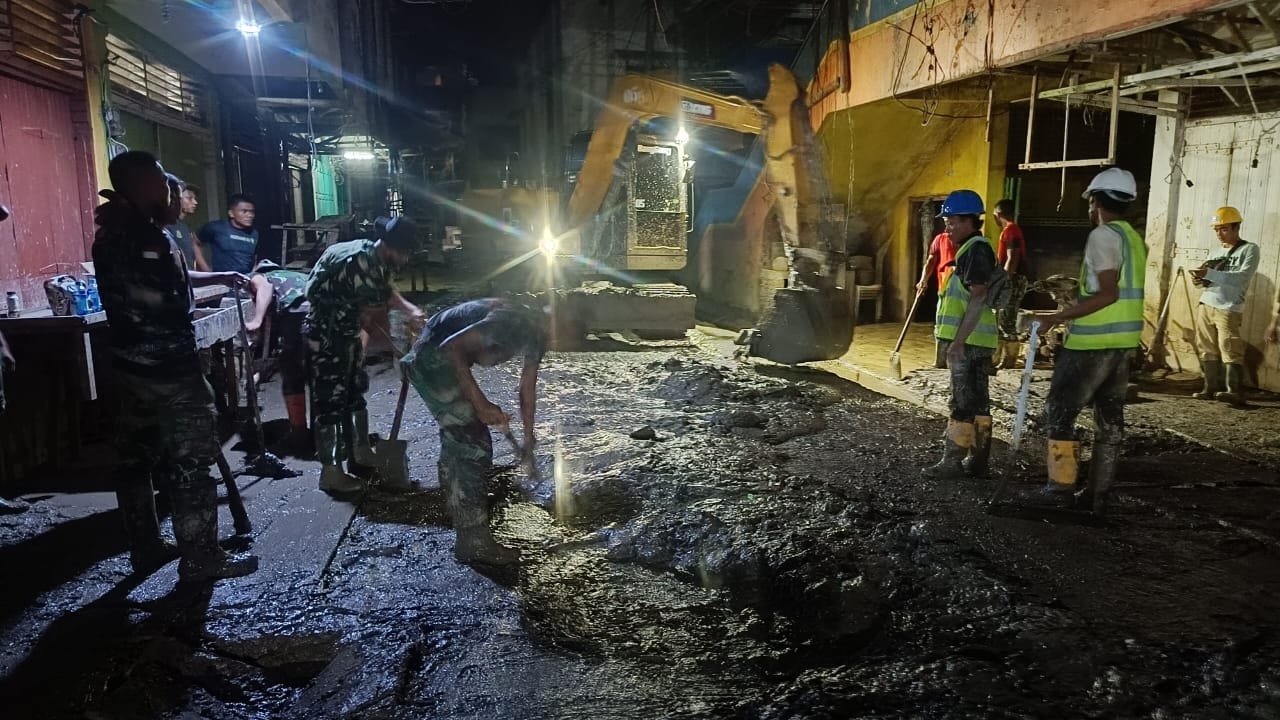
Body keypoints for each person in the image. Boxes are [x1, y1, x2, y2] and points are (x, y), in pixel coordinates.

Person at [93, 150, 258, 580]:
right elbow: (162, 301)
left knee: (136, 460)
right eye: (165, 186)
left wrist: (219, 278)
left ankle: (145, 549)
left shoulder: (123, 229)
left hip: (131, 370)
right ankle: (201, 558)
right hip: (167, 370)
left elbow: (173, 279)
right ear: (143, 187)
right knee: (191, 462)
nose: (173, 195)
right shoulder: (141, 236)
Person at [401, 298, 546, 565]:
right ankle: (473, 541)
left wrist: (527, 439)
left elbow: (527, 389)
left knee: (459, 433)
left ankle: (458, 504)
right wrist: (480, 404)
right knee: (473, 441)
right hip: (432, 358)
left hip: (434, 355)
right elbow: (452, 347)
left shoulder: (539, 334)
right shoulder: (514, 320)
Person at [1037, 168, 1146, 517]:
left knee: (1060, 412)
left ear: (1095, 201)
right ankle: (1097, 495)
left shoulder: (1102, 236)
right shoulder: (1132, 237)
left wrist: (1057, 317)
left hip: (1091, 343)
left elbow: (1108, 293)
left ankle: (1059, 490)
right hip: (1122, 342)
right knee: (1110, 418)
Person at [305, 215, 426, 495]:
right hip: (328, 334)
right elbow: (372, 320)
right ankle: (331, 472)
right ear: (391, 247)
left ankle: (360, 452)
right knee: (331, 400)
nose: (406, 260)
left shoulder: (373, 257)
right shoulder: (360, 265)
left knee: (354, 391)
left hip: (345, 330)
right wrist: (399, 353)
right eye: (405, 253)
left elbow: (385, 290)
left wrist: (410, 310)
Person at [922, 190, 999, 480]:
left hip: (969, 342)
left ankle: (952, 461)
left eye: (952, 220)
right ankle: (978, 461)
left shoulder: (974, 250)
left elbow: (978, 297)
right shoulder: (973, 249)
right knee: (979, 403)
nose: (947, 227)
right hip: (979, 340)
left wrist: (957, 342)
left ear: (969, 221)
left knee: (962, 402)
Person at [1189, 206, 1260, 406]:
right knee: (1206, 347)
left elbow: (1241, 278)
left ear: (1237, 228)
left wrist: (1208, 274)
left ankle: (1234, 391)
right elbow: (1208, 278)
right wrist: (1198, 279)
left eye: (1224, 229)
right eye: (1217, 230)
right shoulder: (1216, 250)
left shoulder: (1249, 249)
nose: (1220, 234)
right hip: (1207, 302)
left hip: (1229, 306)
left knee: (1229, 347)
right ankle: (1209, 388)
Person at [245, 259, 311, 448]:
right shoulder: (299, 275)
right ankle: (325, 431)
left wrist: (256, 320)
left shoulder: (260, 276)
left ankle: (299, 432)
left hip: (295, 313)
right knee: (321, 372)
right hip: (321, 312)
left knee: (291, 369)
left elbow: (264, 288)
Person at [992, 199, 1029, 369]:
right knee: (1003, 320)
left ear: (998, 214)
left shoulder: (1010, 230)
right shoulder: (1011, 230)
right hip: (1013, 279)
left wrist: (1005, 282)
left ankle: (1009, 361)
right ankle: (1002, 359)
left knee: (1007, 321)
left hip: (1013, 280)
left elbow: (1012, 257)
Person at [916, 229, 958, 368]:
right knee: (943, 325)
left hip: (962, 289)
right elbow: (931, 261)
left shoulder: (970, 240)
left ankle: (951, 361)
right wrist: (923, 280)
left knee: (952, 325)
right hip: (945, 287)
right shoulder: (940, 239)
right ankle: (941, 361)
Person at [197, 193, 259, 274]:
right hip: (221, 281)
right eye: (244, 211)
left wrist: (252, 274)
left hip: (244, 280)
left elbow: (254, 257)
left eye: (252, 212)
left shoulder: (254, 233)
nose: (250, 215)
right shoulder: (216, 227)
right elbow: (195, 242)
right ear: (231, 213)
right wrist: (206, 270)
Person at [164, 176, 208, 272]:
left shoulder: (185, 228)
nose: (195, 202)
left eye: (195, 198)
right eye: (189, 198)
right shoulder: (165, 227)